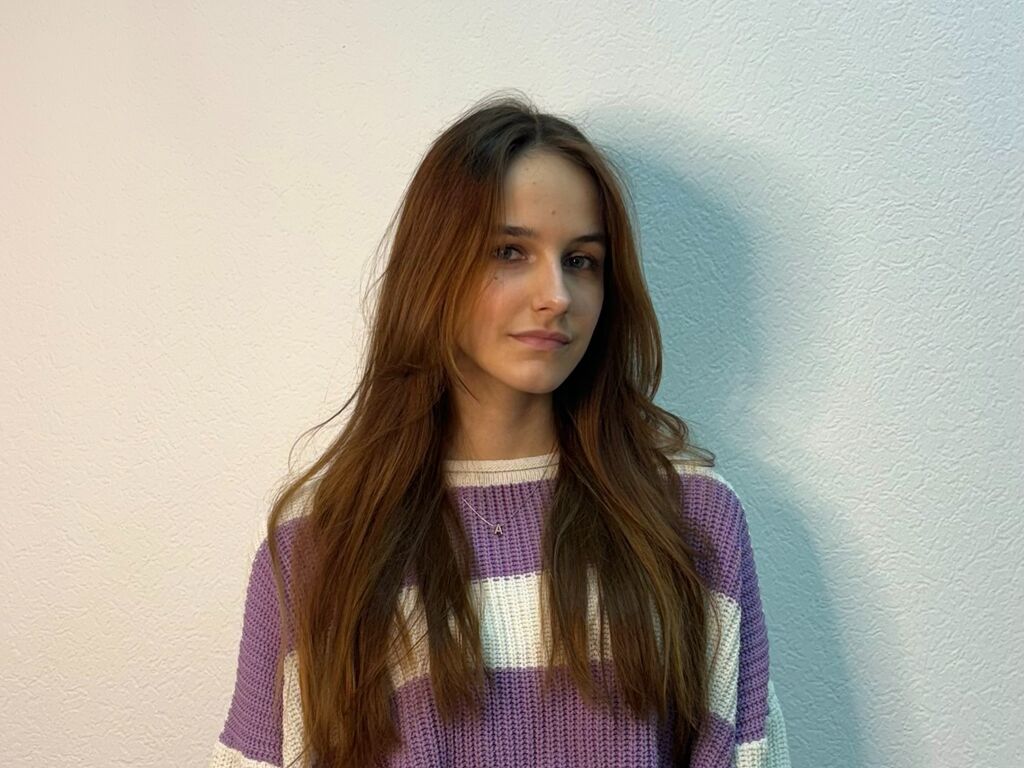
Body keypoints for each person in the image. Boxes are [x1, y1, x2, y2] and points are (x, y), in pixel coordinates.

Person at [206, 91, 792, 768]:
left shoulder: (690, 516)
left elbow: (746, 754)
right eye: (510, 251)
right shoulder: (320, 538)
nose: (557, 296)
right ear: (434, 268)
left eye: (581, 260)